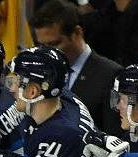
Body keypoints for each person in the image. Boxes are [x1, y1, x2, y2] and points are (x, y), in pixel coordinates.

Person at [31, 0, 123, 136]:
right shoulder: (40, 73)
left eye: (54, 44)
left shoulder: (110, 74)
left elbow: (113, 134)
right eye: (42, 46)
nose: (48, 53)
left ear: (77, 32)